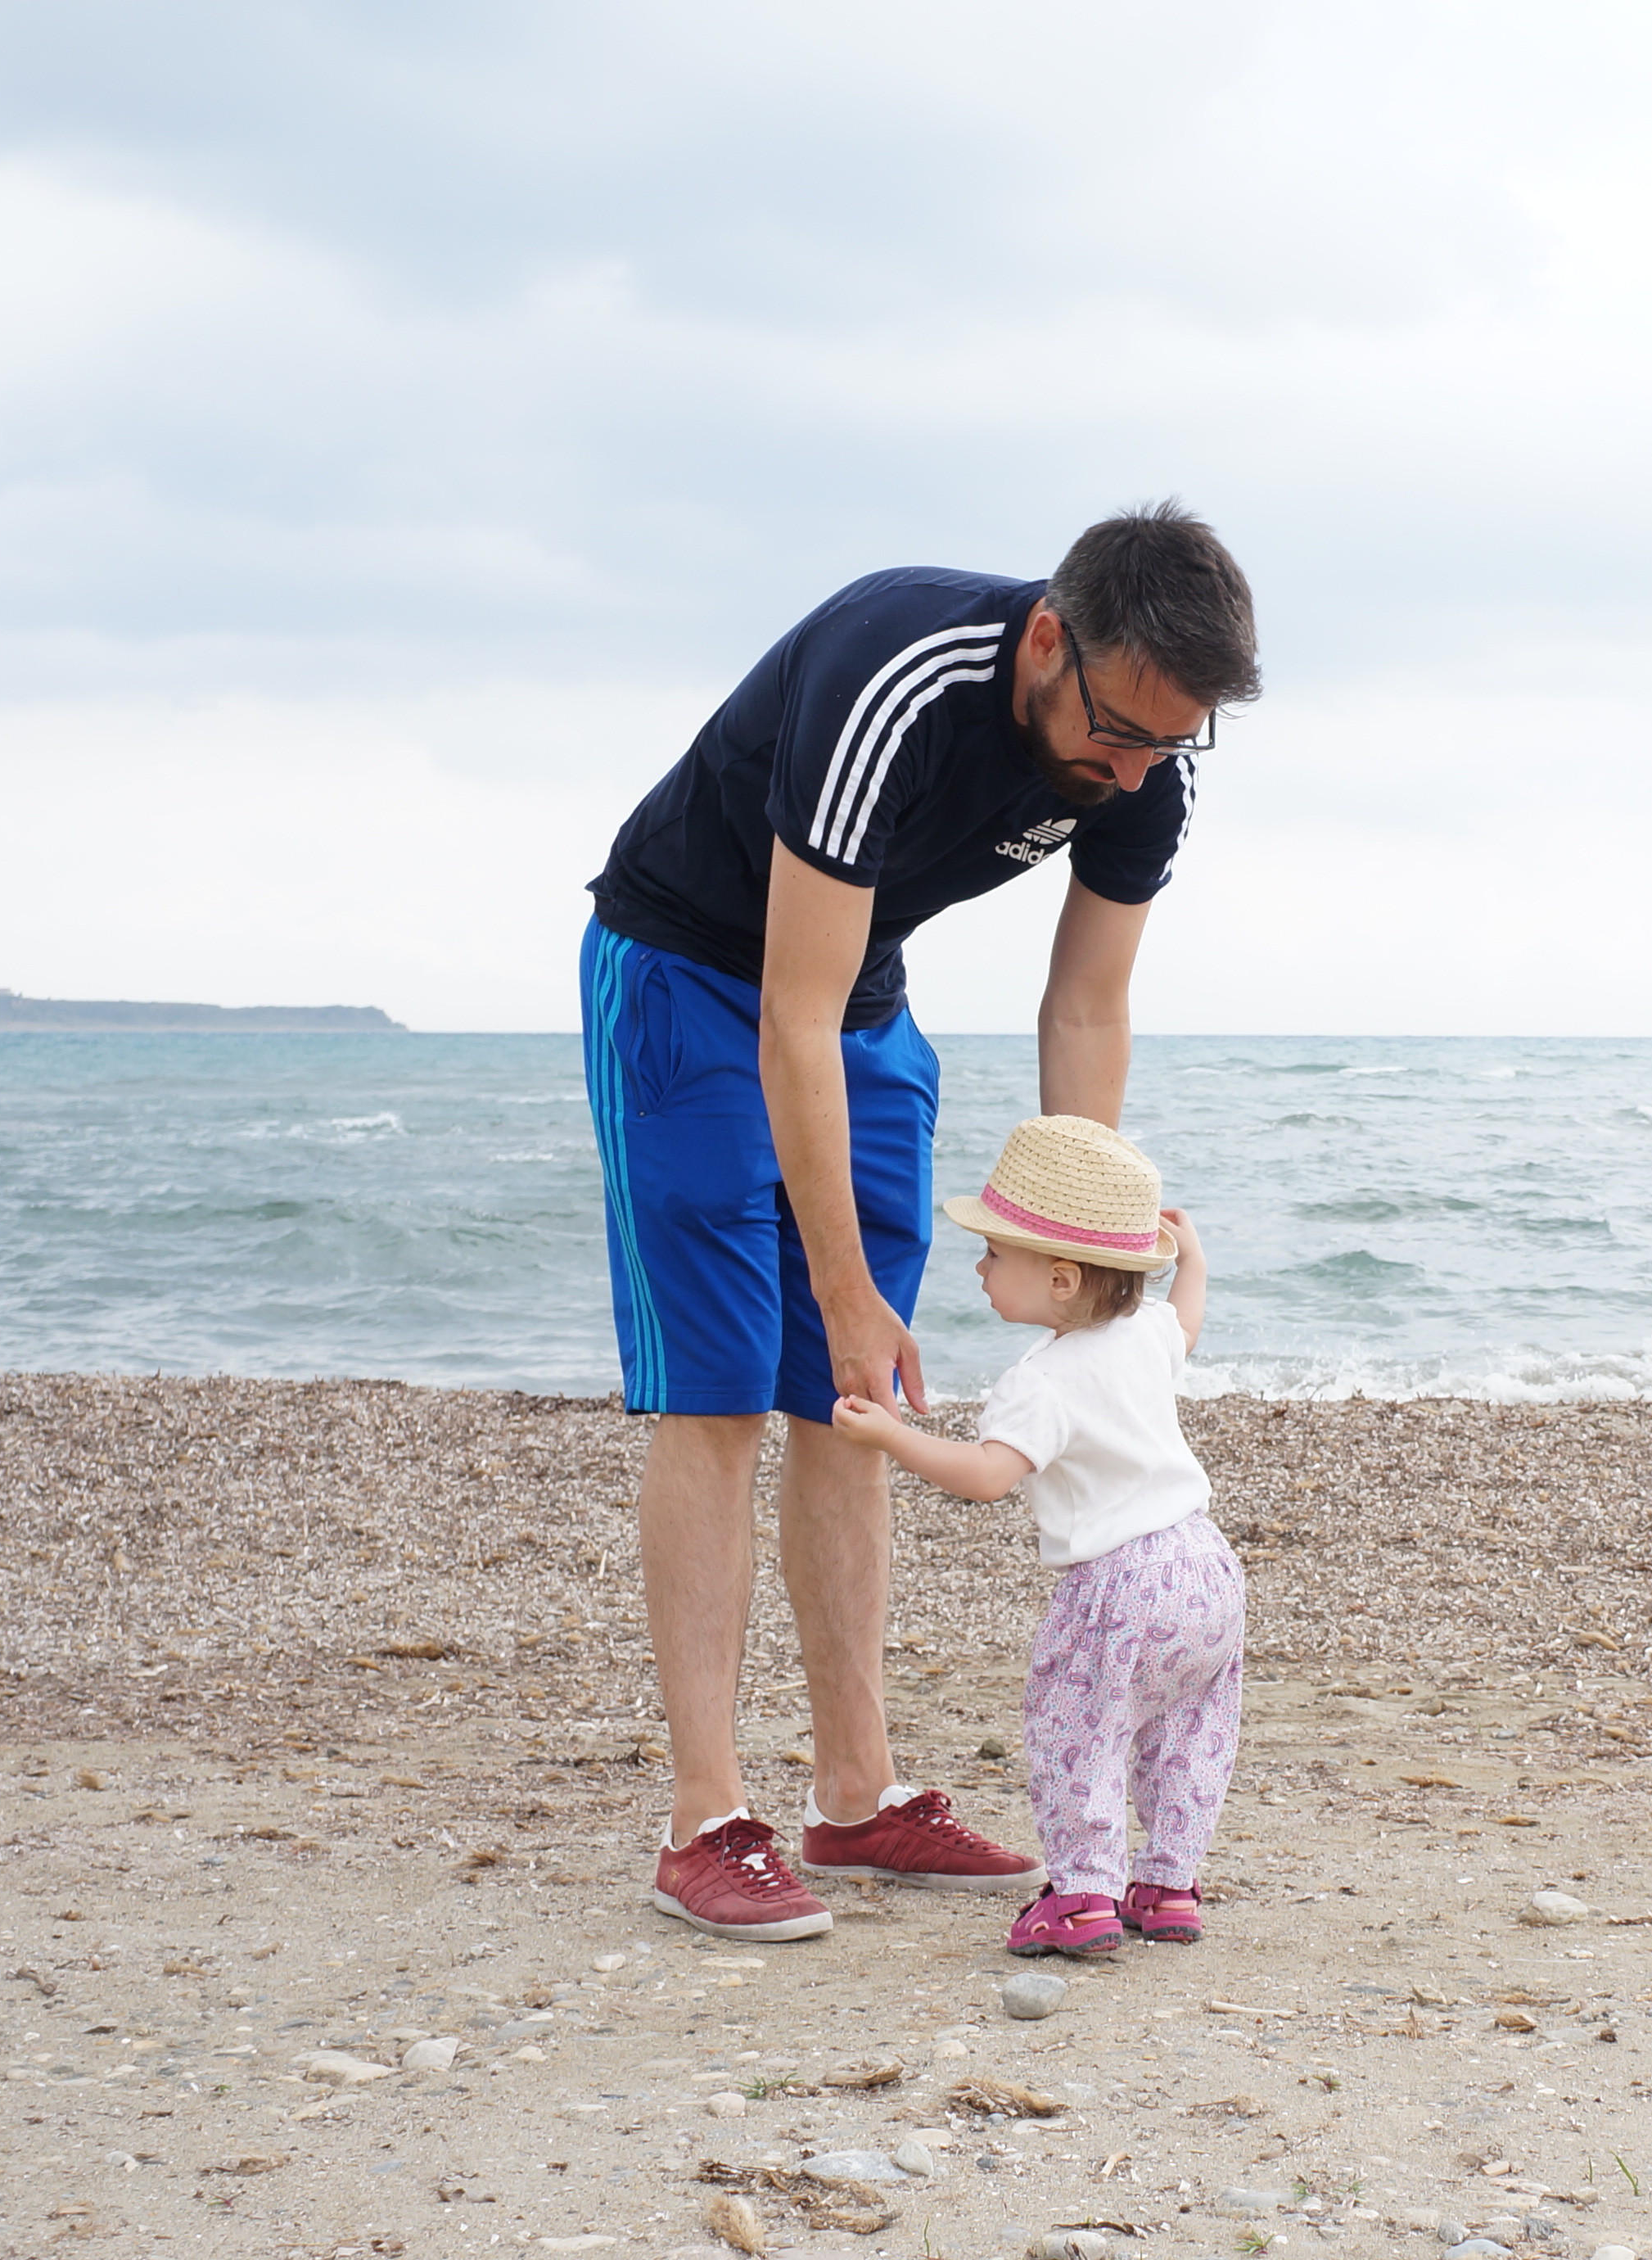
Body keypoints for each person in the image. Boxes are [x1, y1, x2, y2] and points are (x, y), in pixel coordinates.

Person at [578, 505, 1258, 1942]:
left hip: (861, 999)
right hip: (691, 973)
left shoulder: (1147, 757)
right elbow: (788, 1010)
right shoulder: (892, 674)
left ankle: (855, 1795)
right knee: (720, 1393)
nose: (1136, 773)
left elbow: (1086, 1005)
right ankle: (705, 1820)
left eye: (1171, 745)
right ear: (1048, 642)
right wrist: (840, 1281)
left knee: (858, 1396)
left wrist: (1095, 1260)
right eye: (1119, 735)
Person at [830, 1114, 1237, 1958]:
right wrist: (1192, 1259)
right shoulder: (1145, 1334)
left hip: (1120, 1583)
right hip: (1206, 1568)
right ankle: (1168, 1882)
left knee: (1077, 1733)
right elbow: (1187, 1318)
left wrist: (891, 1436)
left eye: (993, 1254)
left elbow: (987, 1476)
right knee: (1186, 1732)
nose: (979, 1268)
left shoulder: (1040, 1380)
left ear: (1060, 1278)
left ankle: (1083, 1895)